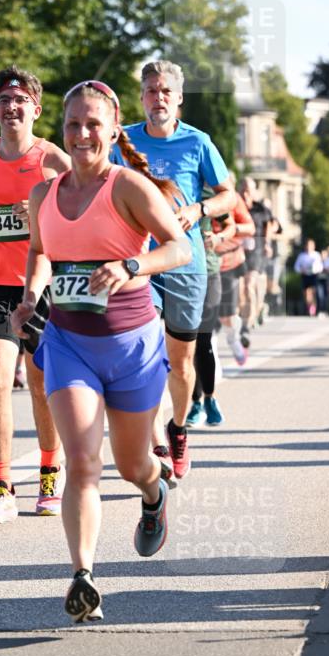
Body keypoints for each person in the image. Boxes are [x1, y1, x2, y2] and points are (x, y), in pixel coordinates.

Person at [12, 80, 190, 622]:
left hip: (133, 346)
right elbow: (40, 254)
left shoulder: (129, 186)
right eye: (73, 124)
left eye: (93, 124)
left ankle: (154, 493)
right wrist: (28, 299)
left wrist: (131, 266)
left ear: (114, 130)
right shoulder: (45, 194)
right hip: (69, 345)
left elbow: (178, 248)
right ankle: (82, 576)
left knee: (132, 464)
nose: (83, 133)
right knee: (82, 463)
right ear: (61, 131)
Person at [110, 60, 234, 480]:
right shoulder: (122, 142)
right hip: (139, 263)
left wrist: (199, 208)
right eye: (150, 90)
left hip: (186, 263)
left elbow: (227, 196)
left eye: (165, 91)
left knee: (181, 363)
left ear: (178, 99)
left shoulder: (198, 143)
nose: (157, 97)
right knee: (143, 354)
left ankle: (178, 429)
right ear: (141, 96)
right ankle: (154, 444)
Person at [0, 65, 70, 524]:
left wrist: (50, 217)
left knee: (42, 384)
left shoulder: (52, 159)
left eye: (20, 100)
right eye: (5, 100)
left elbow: (84, 202)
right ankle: (1, 486)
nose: (12, 107)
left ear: (36, 110)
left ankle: (50, 469)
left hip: (41, 284)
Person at [186, 207, 236, 427]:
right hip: (180, 275)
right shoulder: (167, 187)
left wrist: (218, 237)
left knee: (203, 341)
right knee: (187, 344)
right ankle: (194, 403)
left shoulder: (209, 196)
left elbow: (231, 225)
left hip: (209, 273)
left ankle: (208, 399)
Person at [217, 189, 255, 365]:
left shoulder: (232, 197)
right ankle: (209, 353)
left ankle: (233, 340)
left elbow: (250, 228)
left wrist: (230, 229)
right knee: (206, 315)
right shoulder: (190, 190)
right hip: (201, 264)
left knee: (228, 315)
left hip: (229, 262)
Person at [238, 176, 274, 340]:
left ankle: (246, 326)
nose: (246, 191)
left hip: (256, 252)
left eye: (249, 189)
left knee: (248, 285)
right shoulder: (235, 206)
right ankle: (246, 316)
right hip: (238, 252)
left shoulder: (261, 209)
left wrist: (267, 244)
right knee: (239, 291)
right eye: (243, 188)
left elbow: (269, 226)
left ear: (254, 191)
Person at [294, 239, 323, 316]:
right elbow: (296, 266)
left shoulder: (316, 255)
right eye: (307, 245)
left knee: (312, 293)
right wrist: (301, 270)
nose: (309, 247)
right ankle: (310, 307)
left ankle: (313, 309)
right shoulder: (301, 255)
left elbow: (320, 266)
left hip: (313, 276)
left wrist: (314, 270)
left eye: (310, 245)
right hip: (305, 276)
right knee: (306, 294)